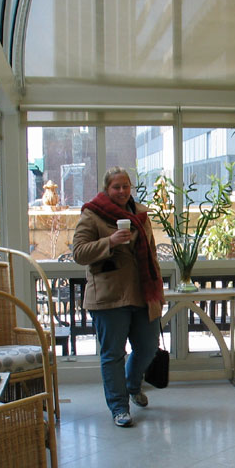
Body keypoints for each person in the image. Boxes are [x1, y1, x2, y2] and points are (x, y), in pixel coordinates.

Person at [73, 167, 165, 427]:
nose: (122, 191)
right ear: (106, 189)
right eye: (116, 187)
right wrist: (110, 241)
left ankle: (132, 385)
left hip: (143, 293)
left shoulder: (140, 214)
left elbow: (152, 253)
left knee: (147, 347)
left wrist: (158, 290)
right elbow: (79, 253)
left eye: (126, 186)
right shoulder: (92, 214)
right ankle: (119, 408)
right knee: (113, 354)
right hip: (109, 296)